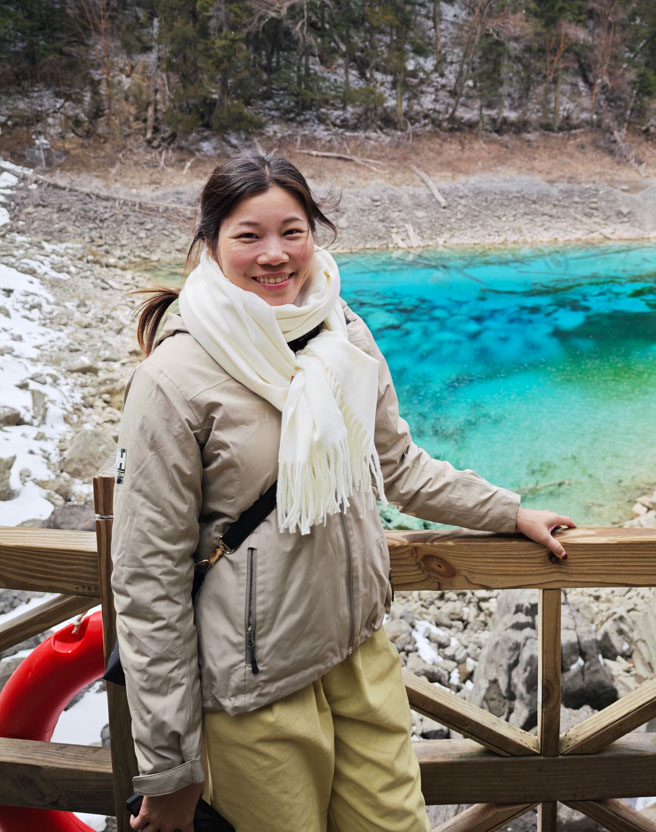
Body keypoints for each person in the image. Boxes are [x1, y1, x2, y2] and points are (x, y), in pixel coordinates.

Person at [111, 151, 575, 832]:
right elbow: (148, 581)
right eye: (249, 235)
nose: (275, 254)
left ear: (314, 234)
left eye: (292, 231)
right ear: (210, 243)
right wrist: (170, 770)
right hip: (253, 693)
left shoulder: (341, 330)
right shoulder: (173, 378)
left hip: (359, 657)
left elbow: (398, 465)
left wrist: (509, 512)